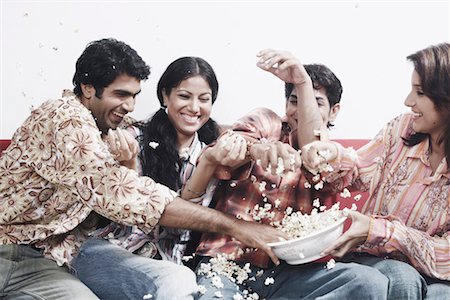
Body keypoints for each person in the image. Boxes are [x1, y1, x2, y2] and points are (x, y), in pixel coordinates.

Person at [0, 38, 288, 300]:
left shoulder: (108, 127)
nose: (129, 105)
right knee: (176, 280)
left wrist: (256, 147)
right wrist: (236, 226)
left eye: (135, 95)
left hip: (38, 257)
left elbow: (232, 139)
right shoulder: (68, 121)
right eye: (121, 94)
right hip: (20, 249)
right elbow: (128, 196)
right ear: (88, 89)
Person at [193, 49, 389, 299]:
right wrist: (258, 149)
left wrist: (302, 81)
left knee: (369, 282)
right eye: (294, 100)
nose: (299, 110)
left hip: (290, 273)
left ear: (334, 111)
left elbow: (313, 146)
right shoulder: (267, 123)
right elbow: (227, 147)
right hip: (226, 262)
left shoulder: (334, 159)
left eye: (315, 102)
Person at [71, 56, 249, 299]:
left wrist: (214, 160)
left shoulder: (214, 149)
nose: (194, 108)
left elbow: (183, 224)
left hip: (170, 266)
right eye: (184, 96)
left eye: (204, 99)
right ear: (165, 96)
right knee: (177, 281)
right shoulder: (133, 138)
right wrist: (128, 164)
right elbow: (132, 211)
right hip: (110, 251)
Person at [301, 42, 450, 299]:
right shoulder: (402, 129)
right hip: (372, 260)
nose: (408, 101)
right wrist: (332, 154)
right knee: (403, 277)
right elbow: (359, 169)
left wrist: (380, 230)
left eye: (420, 92)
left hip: (437, 273)